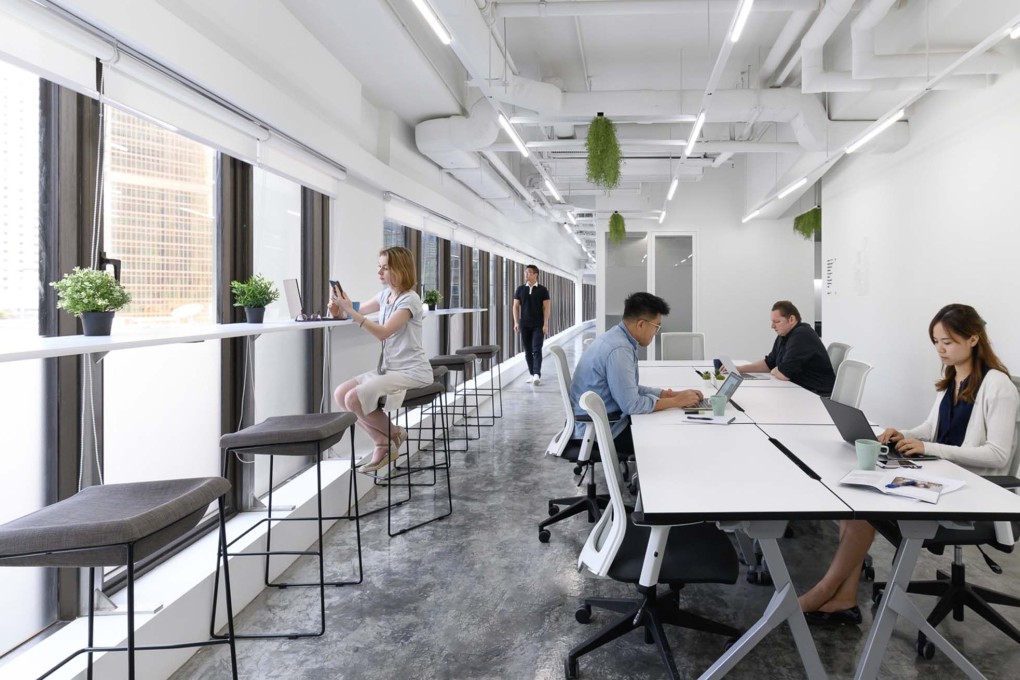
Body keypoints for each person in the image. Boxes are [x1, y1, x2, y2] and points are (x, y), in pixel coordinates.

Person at [798, 303, 1019, 624]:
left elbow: (996, 455)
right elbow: (930, 430)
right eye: (936, 342)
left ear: (973, 339)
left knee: (866, 509)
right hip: (944, 475)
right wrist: (900, 434)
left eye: (948, 341)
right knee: (855, 499)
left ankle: (825, 591)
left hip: (976, 491)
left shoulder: (997, 385)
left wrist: (927, 447)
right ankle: (843, 598)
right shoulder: (954, 378)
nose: (941, 349)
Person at [328, 247, 434, 473]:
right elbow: (356, 310)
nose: (379, 272)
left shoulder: (410, 300)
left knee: (354, 398)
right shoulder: (385, 295)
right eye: (379, 266)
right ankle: (390, 437)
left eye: (385, 267)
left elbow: (384, 332)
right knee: (340, 394)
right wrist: (339, 309)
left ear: (401, 270)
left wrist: (351, 311)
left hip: (412, 371)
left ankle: (387, 439)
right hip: (389, 369)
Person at [569, 292, 704, 456]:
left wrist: (670, 394)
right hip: (600, 431)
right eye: (656, 327)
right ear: (641, 324)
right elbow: (631, 405)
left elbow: (629, 387)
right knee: (672, 439)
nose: (656, 333)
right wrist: (675, 401)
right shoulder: (619, 349)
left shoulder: (617, 337)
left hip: (601, 421)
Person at [736, 300, 835, 396]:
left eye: (777, 321)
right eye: (772, 322)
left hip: (816, 394)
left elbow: (784, 374)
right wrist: (740, 369)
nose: (772, 326)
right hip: (800, 389)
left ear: (791, 319)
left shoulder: (801, 335)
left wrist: (775, 370)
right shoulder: (783, 335)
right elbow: (769, 362)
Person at [513, 264, 550, 385]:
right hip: (524, 325)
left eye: (528, 272)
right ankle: (531, 373)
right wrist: (516, 322)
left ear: (535, 274)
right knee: (528, 351)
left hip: (538, 325)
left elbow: (546, 308)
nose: (526, 274)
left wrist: (545, 324)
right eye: (525, 272)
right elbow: (515, 306)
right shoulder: (520, 289)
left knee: (536, 349)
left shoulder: (543, 290)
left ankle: (536, 374)